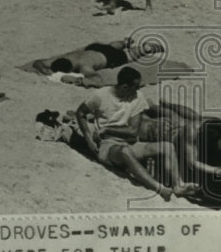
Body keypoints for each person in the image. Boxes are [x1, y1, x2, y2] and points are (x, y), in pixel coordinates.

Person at [74, 67, 197, 201]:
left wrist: (107, 129)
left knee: (167, 146)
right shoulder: (100, 95)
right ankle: (160, 188)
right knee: (125, 151)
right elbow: (80, 113)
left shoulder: (138, 97)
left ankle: (178, 185)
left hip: (130, 142)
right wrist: (88, 139)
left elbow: (132, 131)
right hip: (107, 145)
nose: (139, 90)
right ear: (125, 87)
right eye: (136, 87)